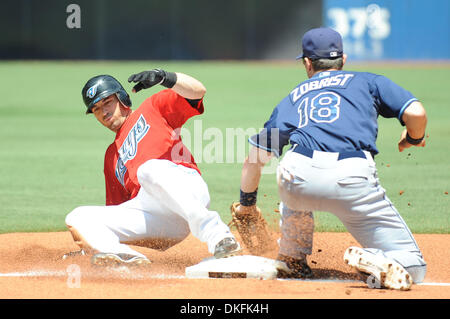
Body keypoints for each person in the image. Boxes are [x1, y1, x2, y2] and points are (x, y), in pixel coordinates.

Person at [232, 27, 427, 290]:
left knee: (292, 176)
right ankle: (377, 259)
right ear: (343, 60)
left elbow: (255, 158)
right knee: (413, 266)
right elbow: (415, 112)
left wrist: (247, 204)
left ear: (307, 63)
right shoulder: (368, 81)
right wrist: (413, 138)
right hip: (352, 178)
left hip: (298, 175)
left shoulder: (294, 96)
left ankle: (292, 256)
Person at [64, 68, 241, 266]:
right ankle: (124, 258)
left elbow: (198, 91)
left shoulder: (152, 107)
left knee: (148, 170)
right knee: (77, 216)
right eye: (96, 109)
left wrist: (165, 78)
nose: (104, 112)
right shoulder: (110, 156)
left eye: (107, 102)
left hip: (185, 186)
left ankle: (219, 236)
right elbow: (118, 211)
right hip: (159, 220)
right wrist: (92, 244)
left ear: (122, 98)